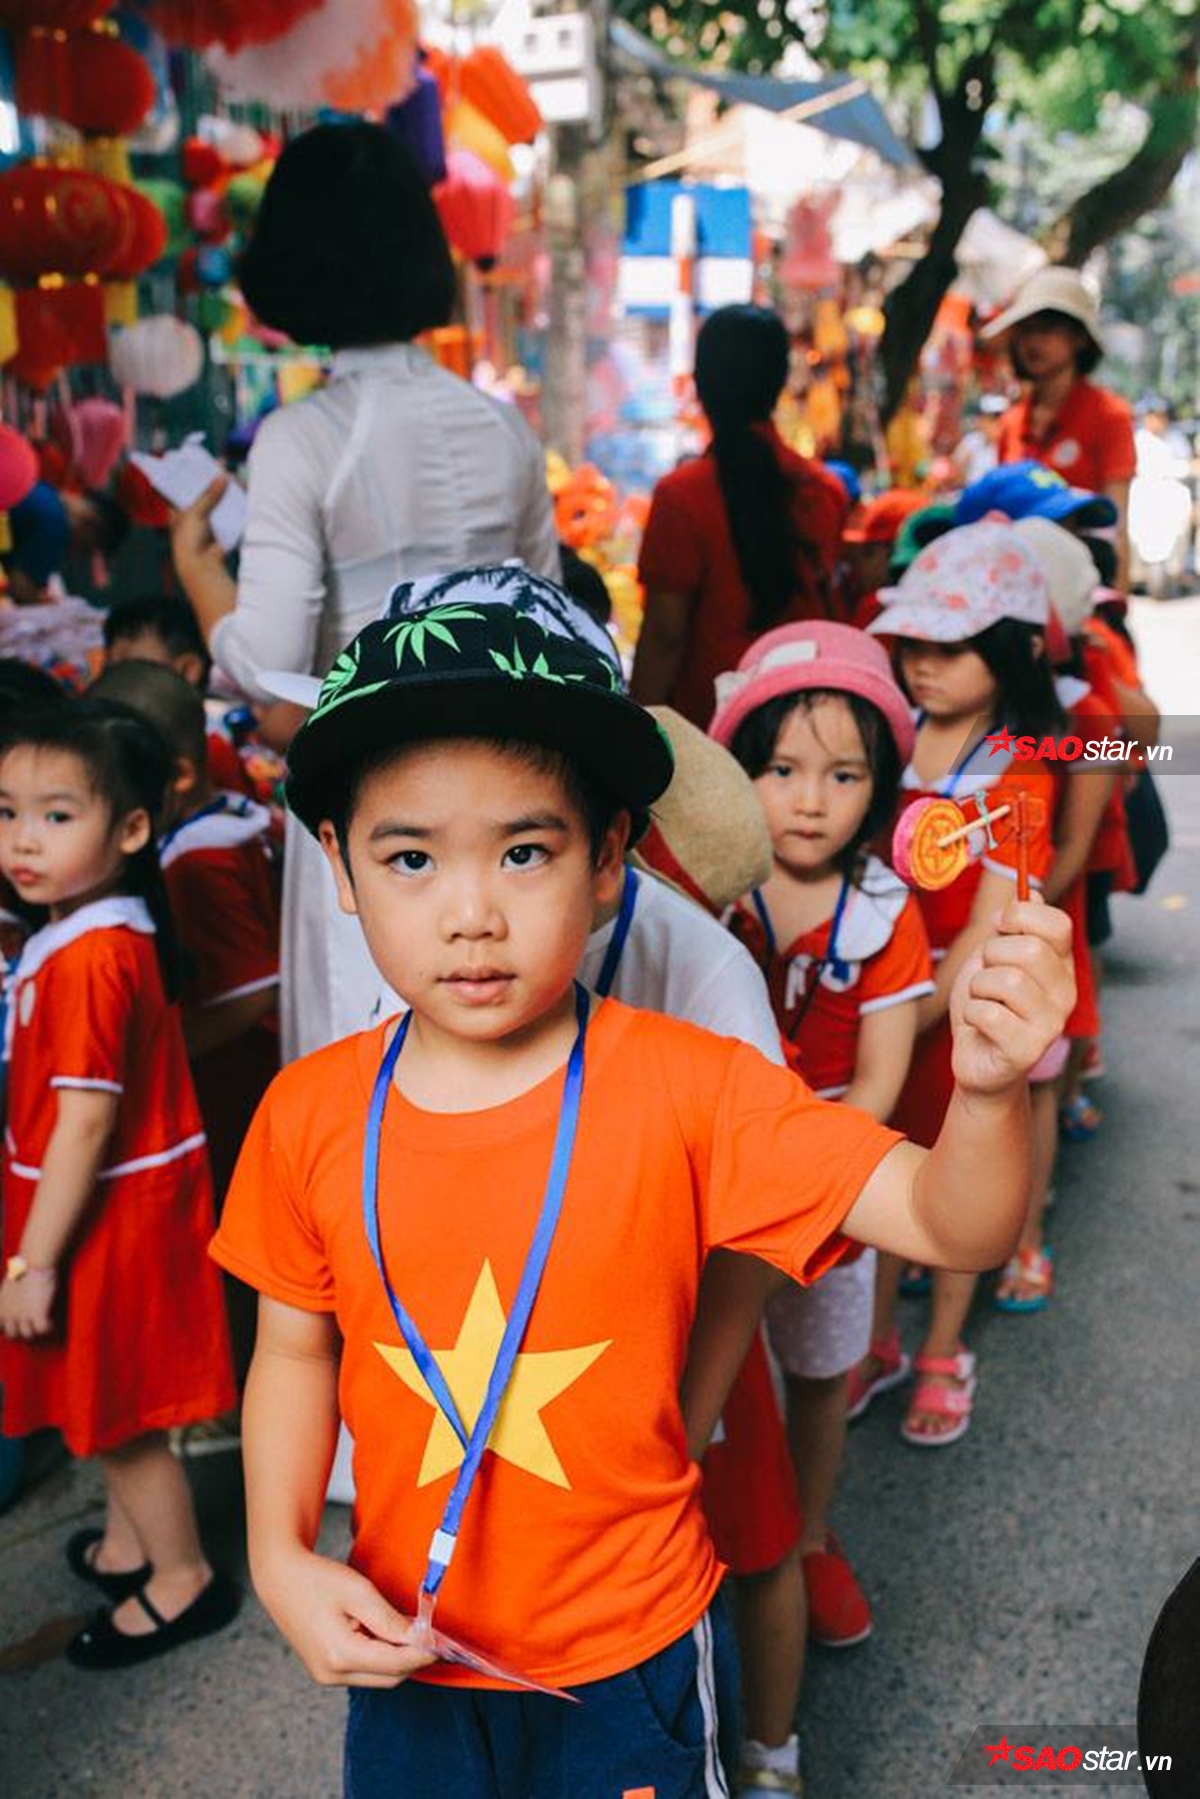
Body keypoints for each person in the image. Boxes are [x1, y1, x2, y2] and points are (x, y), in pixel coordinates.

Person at [211, 594, 1073, 1795]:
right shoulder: (307, 1113)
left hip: (634, 1667)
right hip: (405, 1663)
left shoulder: (694, 1087)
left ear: (610, 856)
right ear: (340, 867)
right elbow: (294, 1352)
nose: (471, 911)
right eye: (411, 855)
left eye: (526, 850)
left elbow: (951, 1221)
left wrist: (981, 1095)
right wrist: (277, 1554)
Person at [168, 122, 559, 1060]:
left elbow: (265, 660)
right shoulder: (500, 428)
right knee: (507, 1051)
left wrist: (196, 570)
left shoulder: (304, 437)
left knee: (368, 1057)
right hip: (508, 785)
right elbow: (550, 617)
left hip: (369, 793)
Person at [0, 700, 237, 1667]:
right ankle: (131, 1542)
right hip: (102, 1205)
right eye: (8, 811)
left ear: (132, 828)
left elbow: (86, 1120)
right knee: (102, 1397)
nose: (23, 839)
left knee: (123, 1414)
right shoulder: (88, 930)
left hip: (103, 1216)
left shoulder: (94, 954)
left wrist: (33, 1259)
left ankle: (180, 1576)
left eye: (59, 815)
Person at [712, 623, 932, 1646]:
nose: (809, 797)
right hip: (710, 1179)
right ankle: (711, 1536)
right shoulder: (706, 897)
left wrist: (786, 1169)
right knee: (711, 1371)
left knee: (817, 1372)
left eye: (843, 773)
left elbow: (882, 1084)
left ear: (881, 782)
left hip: (830, 1184)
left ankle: (804, 1533)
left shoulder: (889, 909)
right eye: (781, 768)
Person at [853, 521, 1063, 1445]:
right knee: (884, 1177)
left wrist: (904, 1012)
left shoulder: (1020, 767)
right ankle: (874, 1343)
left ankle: (942, 1346)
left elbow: (989, 924)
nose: (923, 665)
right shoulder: (887, 735)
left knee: (960, 1183)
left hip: (955, 1014)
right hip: (883, 999)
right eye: (913, 646)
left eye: (949, 646)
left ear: (1008, 650)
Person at [632, 305, 848, 726]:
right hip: (802, 721)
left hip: (707, 732)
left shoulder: (681, 496)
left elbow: (664, 635)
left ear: (700, 383)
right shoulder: (824, 491)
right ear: (780, 383)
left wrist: (637, 733)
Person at [982, 267, 1136, 584]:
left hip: (1084, 587)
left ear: (1079, 338)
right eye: (1026, 329)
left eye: (1048, 328)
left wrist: (1114, 608)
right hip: (1017, 586)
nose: (1032, 342)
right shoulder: (1011, 422)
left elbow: (1116, 525)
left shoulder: (1109, 415)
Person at [103, 592, 254, 795]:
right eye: (111, 670)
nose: (119, 682)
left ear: (187, 670)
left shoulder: (213, 751)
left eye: (134, 668)